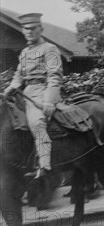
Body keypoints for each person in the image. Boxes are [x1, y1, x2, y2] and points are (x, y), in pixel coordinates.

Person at [3, 13, 63, 179]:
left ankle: (45, 164)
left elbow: (55, 76)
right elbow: (18, 76)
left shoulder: (50, 49)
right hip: (24, 93)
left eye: (32, 29)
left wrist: (49, 101)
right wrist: (7, 92)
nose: (29, 32)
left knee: (37, 123)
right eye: (25, 29)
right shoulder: (24, 52)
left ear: (40, 29)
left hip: (42, 92)